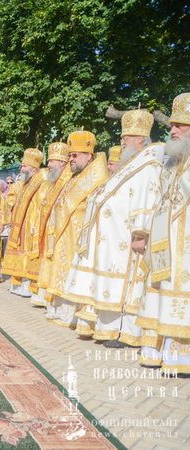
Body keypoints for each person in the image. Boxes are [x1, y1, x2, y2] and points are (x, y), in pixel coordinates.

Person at [64, 109, 163, 346]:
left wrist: (141, 233)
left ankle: (126, 333)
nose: (121, 143)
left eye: (124, 140)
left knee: (128, 286)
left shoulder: (149, 165)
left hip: (129, 240)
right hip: (113, 241)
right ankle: (109, 329)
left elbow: (147, 199)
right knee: (113, 286)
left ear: (139, 140)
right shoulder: (134, 163)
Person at [136, 93, 190, 375]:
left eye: (179, 125)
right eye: (173, 125)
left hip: (185, 251)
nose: (172, 130)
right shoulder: (172, 163)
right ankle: (161, 353)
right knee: (161, 294)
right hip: (164, 247)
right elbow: (159, 202)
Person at [43, 129, 109, 327]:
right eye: (70, 155)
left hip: (80, 236)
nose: (70, 159)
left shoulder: (98, 178)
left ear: (89, 156)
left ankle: (73, 314)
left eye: (74, 155)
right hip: (65, 234)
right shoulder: (74, 176)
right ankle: (60, 310)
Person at [1, 148, 47, 297]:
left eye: (24, 166)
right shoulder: (26, 183)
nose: (21, 169)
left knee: (28, 255)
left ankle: (27, 285)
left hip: (30, 225)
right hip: (21, 225)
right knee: (19, 254)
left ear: (33, 168)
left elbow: (41, 205)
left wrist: (35, 224)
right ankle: (18, 283)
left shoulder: (41, 181)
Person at [31, 142, 72, 307]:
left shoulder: (67, 180)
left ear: (62, 163)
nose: (48, 165)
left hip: (59, 230)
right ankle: (44, 296)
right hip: (48, 228)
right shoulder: (53, 181)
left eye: (51, 162)